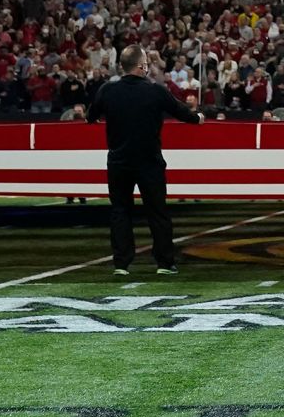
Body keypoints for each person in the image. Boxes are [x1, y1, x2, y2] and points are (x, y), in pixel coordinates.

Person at [86, 44, 204, 275]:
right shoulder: (155, 91)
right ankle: (164, 262)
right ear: (142, 67)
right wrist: (198, 118)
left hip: (119, 160)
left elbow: (91, 116)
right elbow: (182, 113)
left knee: (120, 210)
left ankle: (121, 262)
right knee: (157, 212)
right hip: (149, 160)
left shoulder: (107, 90)